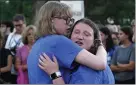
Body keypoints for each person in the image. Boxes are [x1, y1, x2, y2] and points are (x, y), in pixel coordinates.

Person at [27, 1, 107, 84]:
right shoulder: (58, 41)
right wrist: (100, 45)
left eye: (71, 20)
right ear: (51, 20)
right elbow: (100, 64)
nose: (70, 24)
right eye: (66, 19)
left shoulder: (38, 44)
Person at [38, 18, 115, 84]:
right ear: (70, 36)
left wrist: (54, 73)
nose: (80, 37)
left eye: (86, 34)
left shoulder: (88, 70)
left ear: (94, 42)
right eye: (76, 32)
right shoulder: (90, 63)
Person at [5, 14, 26, 84]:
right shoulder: (10, 35)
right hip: (12, 69)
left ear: (24, 24)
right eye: (15, 25)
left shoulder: (29, 35)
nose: (17, 27)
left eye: (20, 25)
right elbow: (6, 50)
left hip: (24, 69)